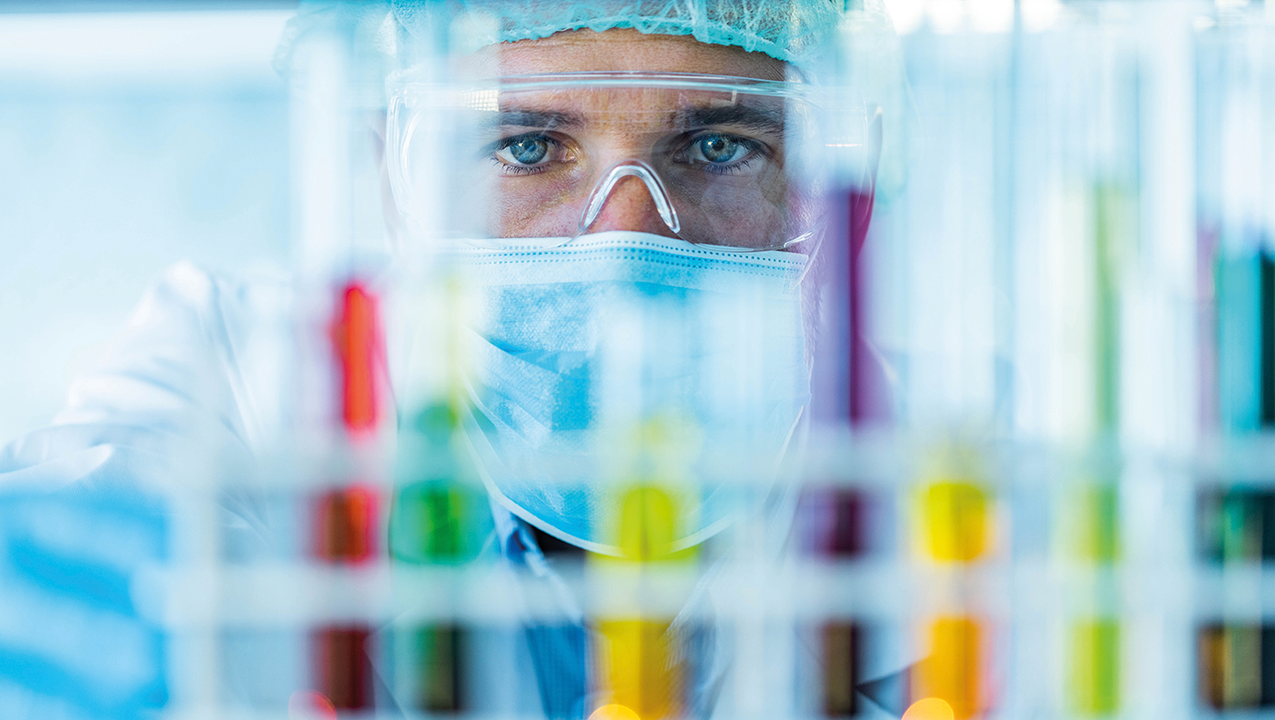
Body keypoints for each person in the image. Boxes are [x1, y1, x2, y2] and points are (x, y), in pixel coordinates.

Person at [0, 2, 900, 718]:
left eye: (718, 147)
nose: (625, 235)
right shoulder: (235, 364)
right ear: (395, 179)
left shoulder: (948, 454)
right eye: (527, 147)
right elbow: (83, 524)